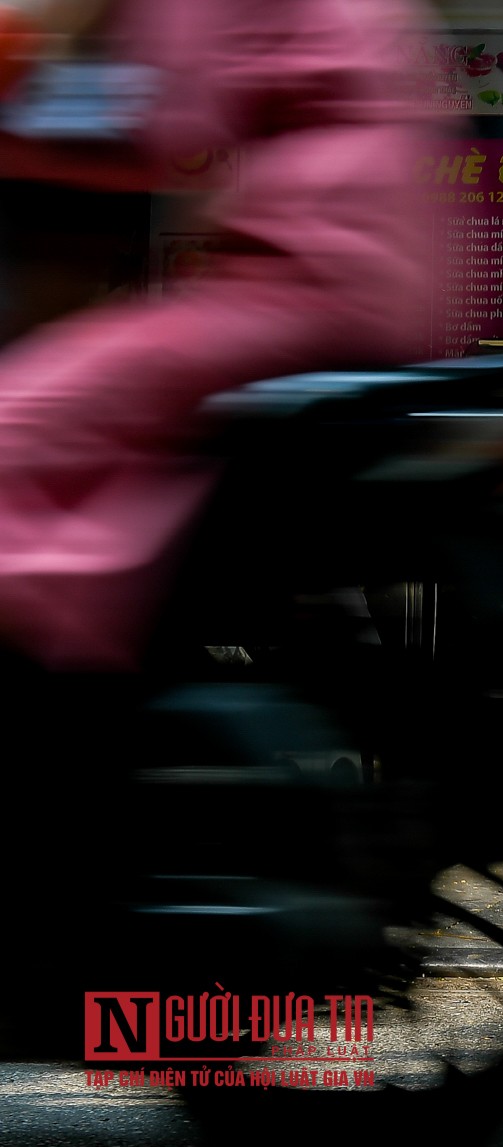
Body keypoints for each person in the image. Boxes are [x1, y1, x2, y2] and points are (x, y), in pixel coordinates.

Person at [0, 0, 442, 671]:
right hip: (384, 288)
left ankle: (68, 651)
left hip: (305, 283)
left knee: (21, 415)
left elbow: (166, 132)